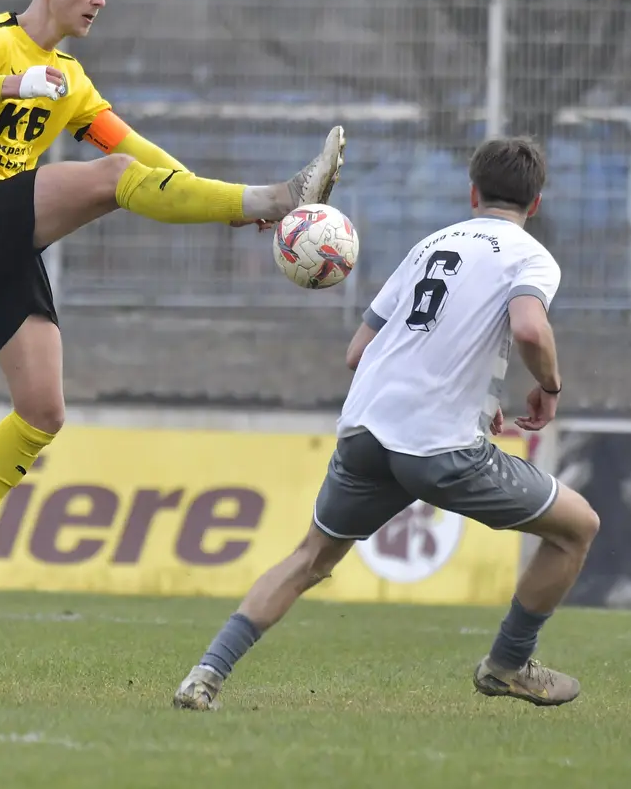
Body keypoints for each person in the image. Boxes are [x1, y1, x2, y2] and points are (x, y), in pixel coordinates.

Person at [0, 0, 349, 645]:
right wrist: (10, 85)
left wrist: (219, 203)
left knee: (42, 413)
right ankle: (279, 196)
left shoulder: (72, 81)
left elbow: (138, 153)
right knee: (111, 181)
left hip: (5, 242)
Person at [171, 136, 602, 710]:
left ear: (472, 193)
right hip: (438, 448)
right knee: (578, 528)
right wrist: (548, 387)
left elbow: (359, 351)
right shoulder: (530, 256)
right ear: (537, 203)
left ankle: (204, 675)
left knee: (308, 559)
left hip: (366, 432)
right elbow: (528, 327)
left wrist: (473, 392)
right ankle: (508, 664)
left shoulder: (430, 245)